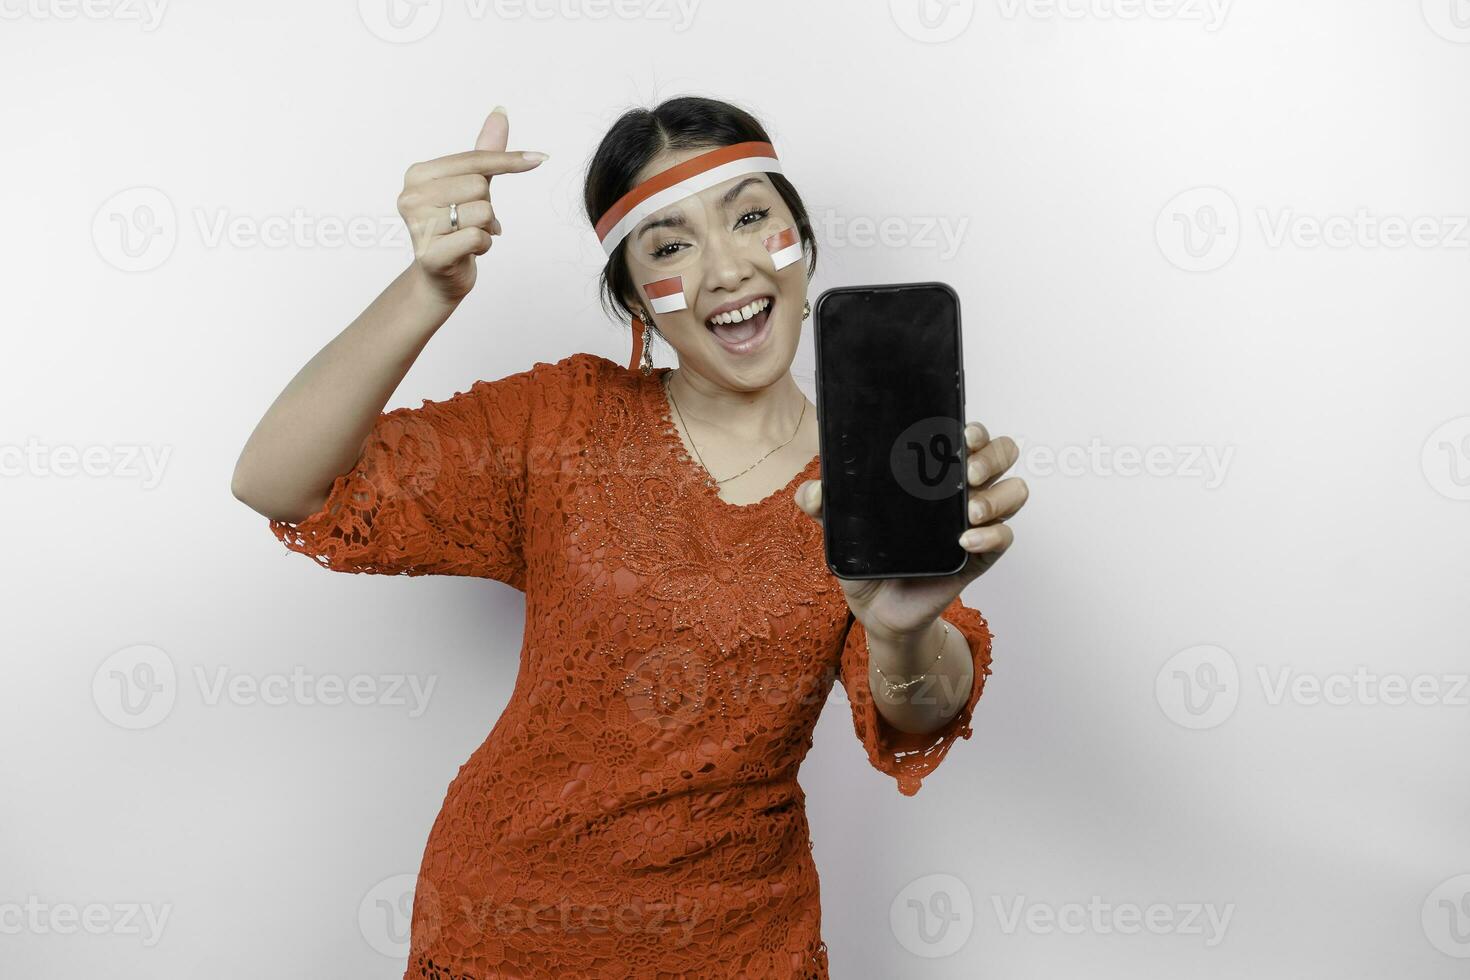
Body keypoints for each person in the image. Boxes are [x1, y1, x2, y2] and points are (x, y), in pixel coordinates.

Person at [231, 96, 1028, 979]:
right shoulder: (562, 422)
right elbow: (275, 481)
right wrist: (429, 288)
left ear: (801, 244)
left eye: (751, 217)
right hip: (505, 923)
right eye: (671, 243)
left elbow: (917, 711)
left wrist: (902, 627)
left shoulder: (867, 486)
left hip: (740, 945)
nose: (725, 268)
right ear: (635, 301)